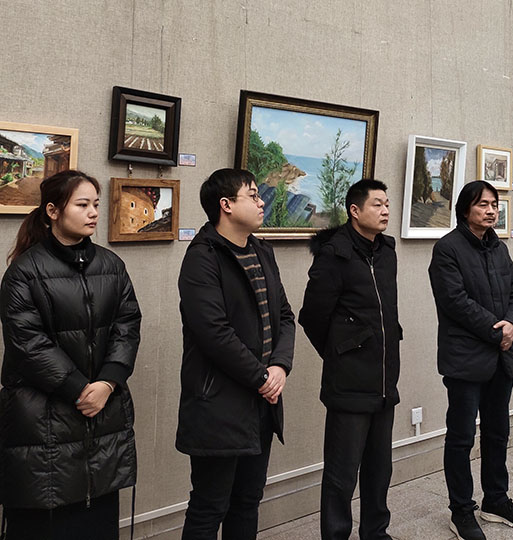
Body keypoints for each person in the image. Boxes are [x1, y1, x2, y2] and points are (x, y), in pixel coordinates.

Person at [0, 170, 142, 540]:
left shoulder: (111, 265)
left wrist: (108, 382)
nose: (93, 212)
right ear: (52, 211)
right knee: (48, 524)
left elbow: (127, 325)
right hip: (43, 417)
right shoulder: (24, 272)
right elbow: (28, 343)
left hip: (104, 410)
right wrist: (80, 390)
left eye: (96, 204)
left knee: (97, 519)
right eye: (82, 205)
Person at [176, 168, 295, 540]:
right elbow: (213, 333)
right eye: (253, 195)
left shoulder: (262, 250)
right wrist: (262, 378)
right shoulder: (202, 258)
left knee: (247, 500)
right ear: (226, 205)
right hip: (219, 404)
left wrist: (280, 366)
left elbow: (285, 316)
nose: (262, 202)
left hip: (262, 402)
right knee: (210, 506)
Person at [428, 180, 513, 540]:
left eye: (494, 205)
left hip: (500, 358)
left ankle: (496, 500)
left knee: (497, 433)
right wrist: (497, 331)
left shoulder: (499, 248)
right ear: (465, 209)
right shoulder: (447, 249)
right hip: (465, 359)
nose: (490, 211)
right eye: (482, 205)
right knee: (461, 439)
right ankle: (461, 510)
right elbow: (454, 302)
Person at [299, 179, 401, 540]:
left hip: (384, 380)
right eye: (377, 204)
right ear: (354, 211)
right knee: (341, 475)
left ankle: (376, 531)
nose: (385, 210)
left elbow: (386, 314)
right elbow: (312, 317)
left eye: (387, 204)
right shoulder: (335, 254)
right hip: (349, 382)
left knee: (379, 469)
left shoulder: (386, 252)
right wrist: (342, 353)